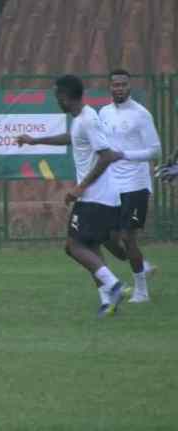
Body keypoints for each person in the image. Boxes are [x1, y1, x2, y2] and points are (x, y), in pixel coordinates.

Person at [17, 74, 125, 317]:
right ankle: (108, 303)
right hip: (97, 197)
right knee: (91, 248)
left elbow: (106, 156)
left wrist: (80, 187)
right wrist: (35, 141)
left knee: (73, 246)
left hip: (96, 198)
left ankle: (115, 284)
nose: (56, 100)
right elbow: (72, 139)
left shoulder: (88, 120)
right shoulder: (80, 120)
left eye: (57, 96)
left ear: (65, 97)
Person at [99, 69, 161, 303]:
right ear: (110, 87)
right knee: (105, 236)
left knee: (127, 236)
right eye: (115, 85)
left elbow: (155, 150)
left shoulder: (140, 115)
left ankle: (141, 291)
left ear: (129, 87)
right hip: (111, 184)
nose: (119, 88)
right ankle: (142, 265)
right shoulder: (104, 112)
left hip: (135, 184)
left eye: (123, 85)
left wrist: (123, 155)